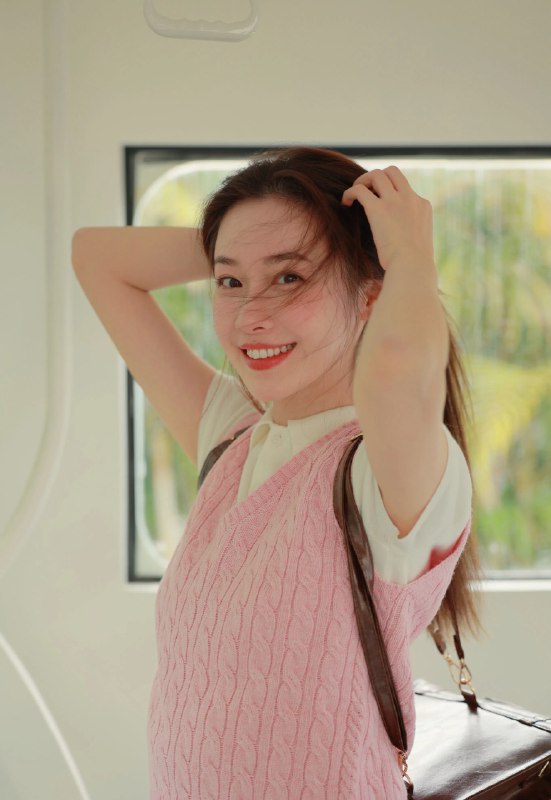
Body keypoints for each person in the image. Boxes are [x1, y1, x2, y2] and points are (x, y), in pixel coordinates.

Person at [72, 147, 480, 799]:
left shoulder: (385, 473)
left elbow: (396, 367)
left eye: (290, 278)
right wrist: (251, 244)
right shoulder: (233, 438)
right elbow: (96, 257)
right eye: (229, 283)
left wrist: (404, 253)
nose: (248, 315)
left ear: (372, 294)